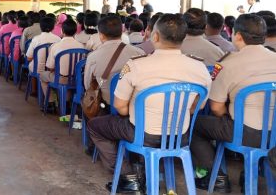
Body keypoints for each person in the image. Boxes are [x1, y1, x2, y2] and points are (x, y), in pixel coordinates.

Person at [88, 14, 211, 193]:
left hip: (142, 134)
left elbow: (121, 108)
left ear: (155, 36)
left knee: (95, 126)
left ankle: (127, 176)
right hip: (180, 135)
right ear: (183, 38)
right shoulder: (199, 67)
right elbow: (197, 107)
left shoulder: (137, 65)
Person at [191, 14, 276, 192]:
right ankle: (251, 173)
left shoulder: (226, 63)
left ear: (237, 36)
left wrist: (230, 116)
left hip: (244, 132)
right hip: (274, 134)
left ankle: (217, 177)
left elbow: (215, 107)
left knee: (195, 126)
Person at [84, 15, 145, 105]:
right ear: (122, 32)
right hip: (134, 103)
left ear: (101, 35)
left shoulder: (93, 57)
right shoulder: (139, 53)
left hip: (107, 104)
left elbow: (87, 85)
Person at [41, 19, 84, 108]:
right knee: (66, 77)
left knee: (42, 75)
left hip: (61, 79)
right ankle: (67, 103)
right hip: (77, 78)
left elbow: (50, 67)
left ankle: (50, 103)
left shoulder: (56, 46)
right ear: (75, 31)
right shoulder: (81, 46)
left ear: (62, 30)